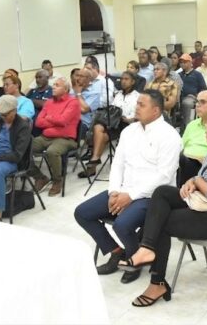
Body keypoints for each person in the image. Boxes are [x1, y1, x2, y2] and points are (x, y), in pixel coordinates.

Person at [120, 110, 207, 307]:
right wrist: (191, 181)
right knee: (162, 192)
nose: (206, 131)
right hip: (204, 205)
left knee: (161, 222)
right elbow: (202, 182)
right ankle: (147, 248)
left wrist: (197, 180)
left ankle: (156, 281)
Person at [74, 90, 181, 284]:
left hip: (152, 196)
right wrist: (115, 190)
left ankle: (134, 261)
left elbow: (163, 176)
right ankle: (117, 251)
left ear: (156, 110)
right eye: (137, 104)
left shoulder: (169, 136)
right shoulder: (129, 131)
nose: (136, 108)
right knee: (82, 213)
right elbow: (118, 164)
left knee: (122, 224)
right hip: (123, 189)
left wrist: (130, 195)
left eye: (141, 105)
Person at [80, 71, 140, 178]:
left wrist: (127, 119)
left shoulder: (137, 96)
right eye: (122, 79)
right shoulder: (118, 95)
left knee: (101, 135)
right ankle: (95, 159)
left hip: (128, 125)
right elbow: (112, 109)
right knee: (98, 128)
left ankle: (93, 165)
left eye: (126, 79)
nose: (123, 81)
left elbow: (138, 117)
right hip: (114, 123)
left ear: (133, 81)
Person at [28, 76, 81, 196]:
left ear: (66, 89)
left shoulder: (73, 102)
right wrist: (54, 121)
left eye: (57, 85)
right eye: (54, 84)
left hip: (65, 139)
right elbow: (38, 122)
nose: (53, 87)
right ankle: (40, 177)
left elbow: (63, 120)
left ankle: (57, 181)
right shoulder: (49, 102)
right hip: (46, 137)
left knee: (52, 151)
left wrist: (49, 118)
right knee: (24, 149)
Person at [179, 90, 207, 183]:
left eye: (203, 102)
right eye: (197, 101)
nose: (197, 105)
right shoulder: (192, 124)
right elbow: (182, 146)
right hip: (184, 161)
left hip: (206, 166)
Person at [179, 53, 207, 127]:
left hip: (192, 97)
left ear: (190, 62)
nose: (182, 64)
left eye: (184, 62)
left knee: (187, 103)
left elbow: (204, 89)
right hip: (178, 97)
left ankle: (188, 126)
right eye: (181, 62)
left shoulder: (197, 74)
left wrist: (197, 96)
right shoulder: (179, 75)